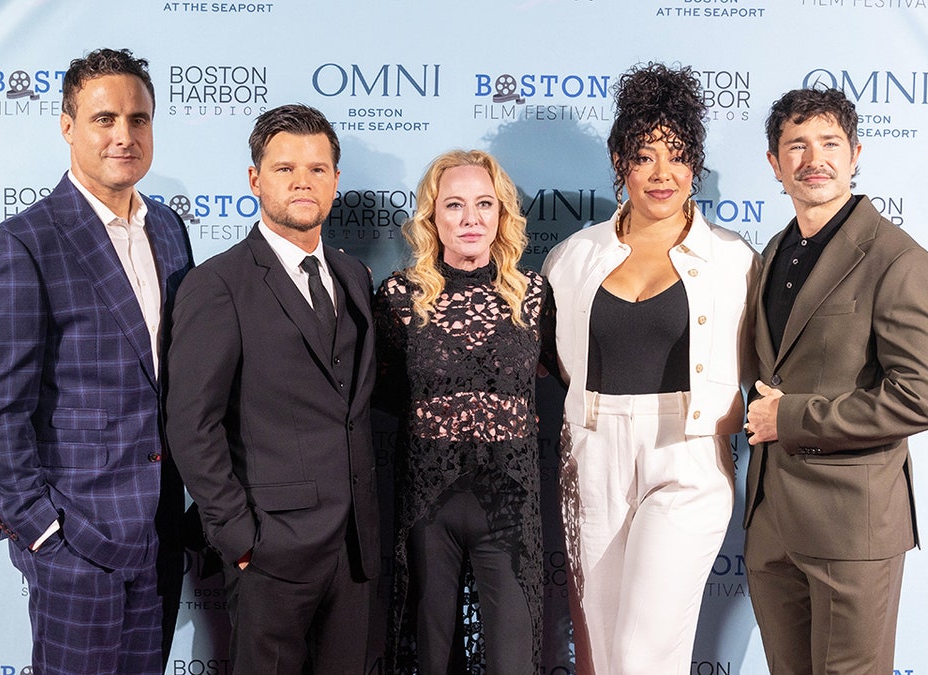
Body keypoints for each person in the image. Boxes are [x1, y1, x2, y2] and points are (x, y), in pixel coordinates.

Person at [0, 48, 193, 674]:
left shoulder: (170, 230)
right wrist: (42, 532)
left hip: (159, 532)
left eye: (139, 119)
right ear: (68, 126)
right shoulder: (23, 243)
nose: (125, 135)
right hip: (76, 536)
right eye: (105, 119)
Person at [542, 63, 759, 674]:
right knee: (601, 652)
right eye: (644, 156)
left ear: (695, 164)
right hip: (591, 452)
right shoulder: (573, 257)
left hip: (688, 456)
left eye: (677, 155)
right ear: (619, 162)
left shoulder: (734, 259)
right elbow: (557, 360)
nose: (662, 174)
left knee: (644, 652)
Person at [165, 103, 380, 675]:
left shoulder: (353, 275)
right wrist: (239, 538)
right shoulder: (218, 284)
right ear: (255, 179)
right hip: (270, 551)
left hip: (356, 550)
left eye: (317, 168)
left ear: (336, 179)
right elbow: (192, 424)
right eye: (285, 168)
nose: (303, 182)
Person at [742, 87, 928, 675]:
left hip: (852, 527)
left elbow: (923, 398)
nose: (815, 159)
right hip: (772, 523)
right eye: (797, 146)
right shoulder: (774, 252)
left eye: (830, 143)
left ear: (856, 153)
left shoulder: (898, 260)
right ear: (774, 163)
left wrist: (789, 417)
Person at [375, 149, 551, 674]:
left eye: (483, 204)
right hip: (427, 504)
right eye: (454, 205)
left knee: (511, 659)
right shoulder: (400, 297)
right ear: (432, 216)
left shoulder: (533, 296)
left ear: (502, 215)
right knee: (432, 657)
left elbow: (555, 378)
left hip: (511, 503)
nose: (470, 219)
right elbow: (383, 394)